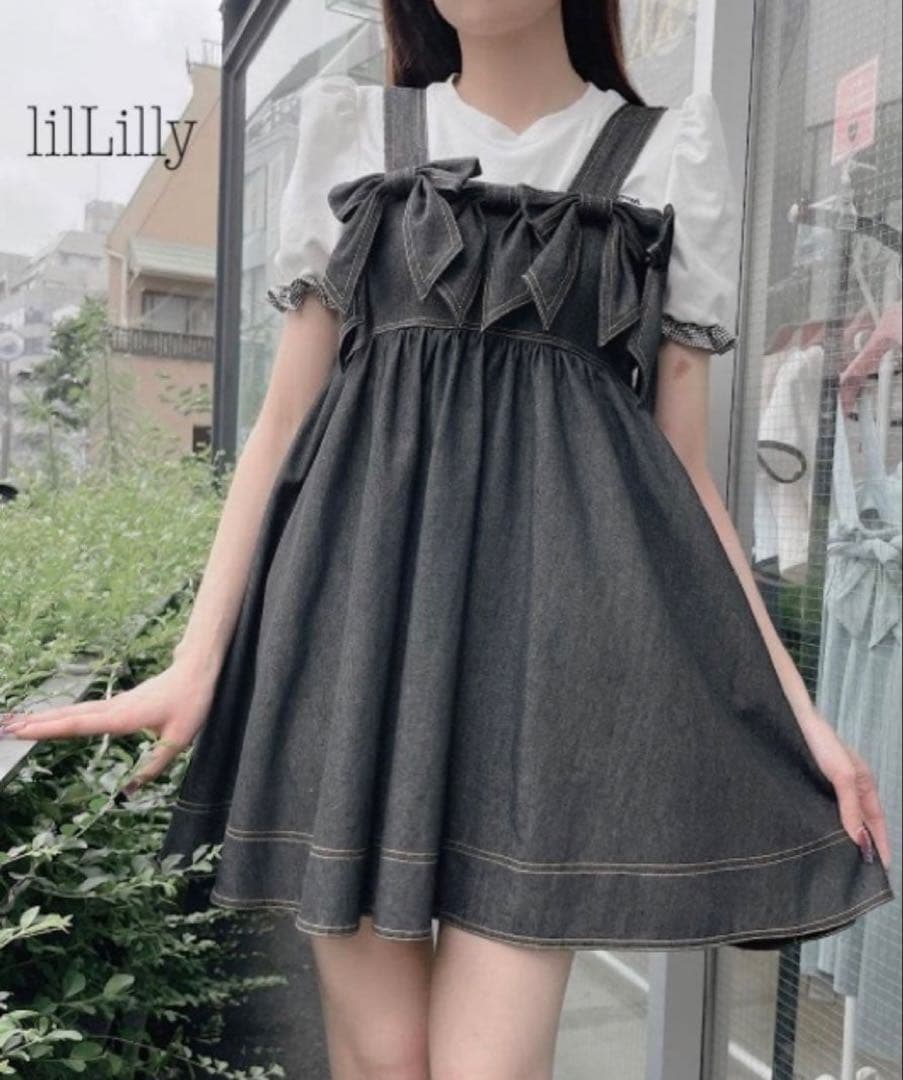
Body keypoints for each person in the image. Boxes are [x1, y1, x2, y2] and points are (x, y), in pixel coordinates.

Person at [2, 2, 894, 1077]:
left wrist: (799, 716)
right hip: (357, 642)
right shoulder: (352, 133)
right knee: (382, 1058)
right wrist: (198, 663)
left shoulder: (667, 152)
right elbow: (279, 426)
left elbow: (685, 476)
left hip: (554, 672)